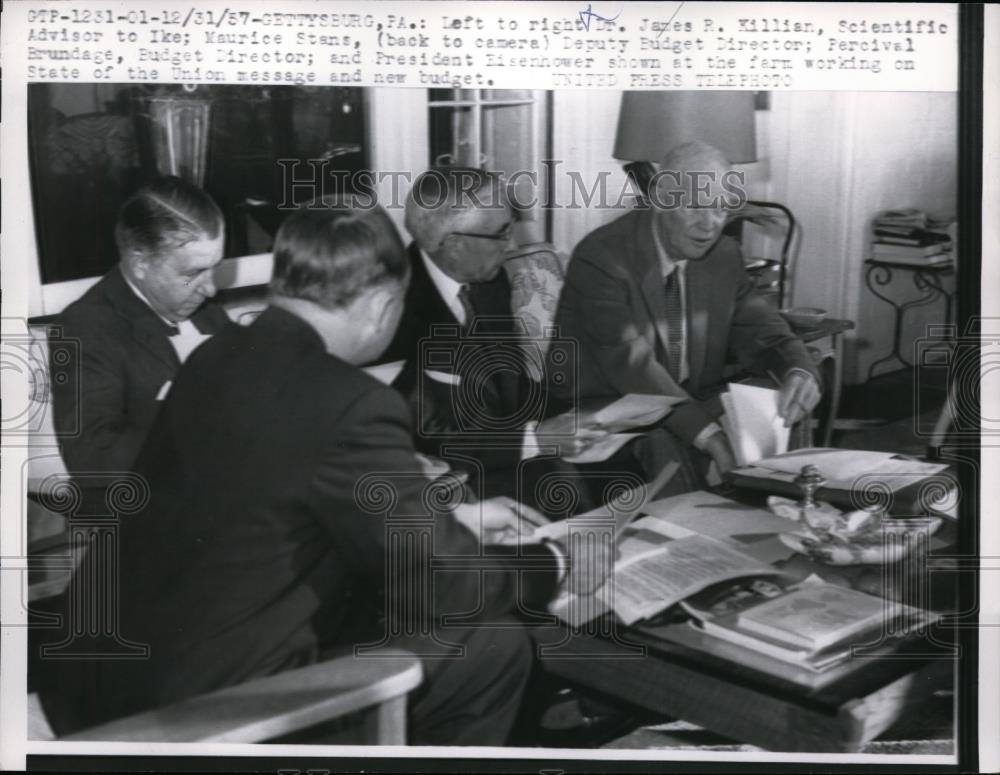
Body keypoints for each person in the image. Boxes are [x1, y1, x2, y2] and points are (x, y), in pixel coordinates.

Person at [35, 205, 607, 746]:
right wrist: (552, 562)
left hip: (92, 680)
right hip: (197, 711)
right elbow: (451, 590)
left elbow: (266, 501)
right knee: (493, 647)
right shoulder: (351, 402)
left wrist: (449, 517)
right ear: (385, 305)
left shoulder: (217, 355)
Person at [554, 141, 822, 479]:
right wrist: (713, 439)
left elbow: (764, 331)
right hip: (606, 406)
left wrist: (799, 371)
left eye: (722, 208)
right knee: (665, 444)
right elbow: (633, 369)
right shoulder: (603, 258)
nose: (709, 224)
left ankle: (784, 518)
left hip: (685, 398)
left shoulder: (723, 255)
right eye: (695, 206)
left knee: (781, 408)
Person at [376, 167, 604, 512]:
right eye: (501, 233)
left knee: (620, 472)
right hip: (449, 485)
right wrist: (536, 438)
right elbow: (427, 431)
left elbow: (508, 384)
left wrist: (577, 417)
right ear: (454, 244)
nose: (511, 245)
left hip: (509, 459)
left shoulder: (489, 281)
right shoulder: (392, 306)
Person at [51, 176, 231, 479]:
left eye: (216, 267)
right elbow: (92, 459)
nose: (211, 289)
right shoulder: (86, 327)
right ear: (140, 263)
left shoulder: (209, 316)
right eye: (193, 273)